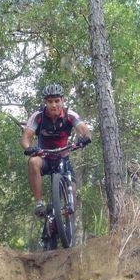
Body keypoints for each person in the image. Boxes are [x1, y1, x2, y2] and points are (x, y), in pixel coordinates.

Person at [20, 83, 91, 217]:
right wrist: (28, 148)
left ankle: (64, 224)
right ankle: (39, 203)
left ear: (63, 100)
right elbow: (25, 138)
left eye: (57, 101)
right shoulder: (38, 116)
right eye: (50, 101)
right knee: (33, 162)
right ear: (45, 102)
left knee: (72, 190)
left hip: (62, 158)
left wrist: (85, 137)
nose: (54, 105)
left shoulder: (69, 115)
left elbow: (84, 129)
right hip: (44, 158)